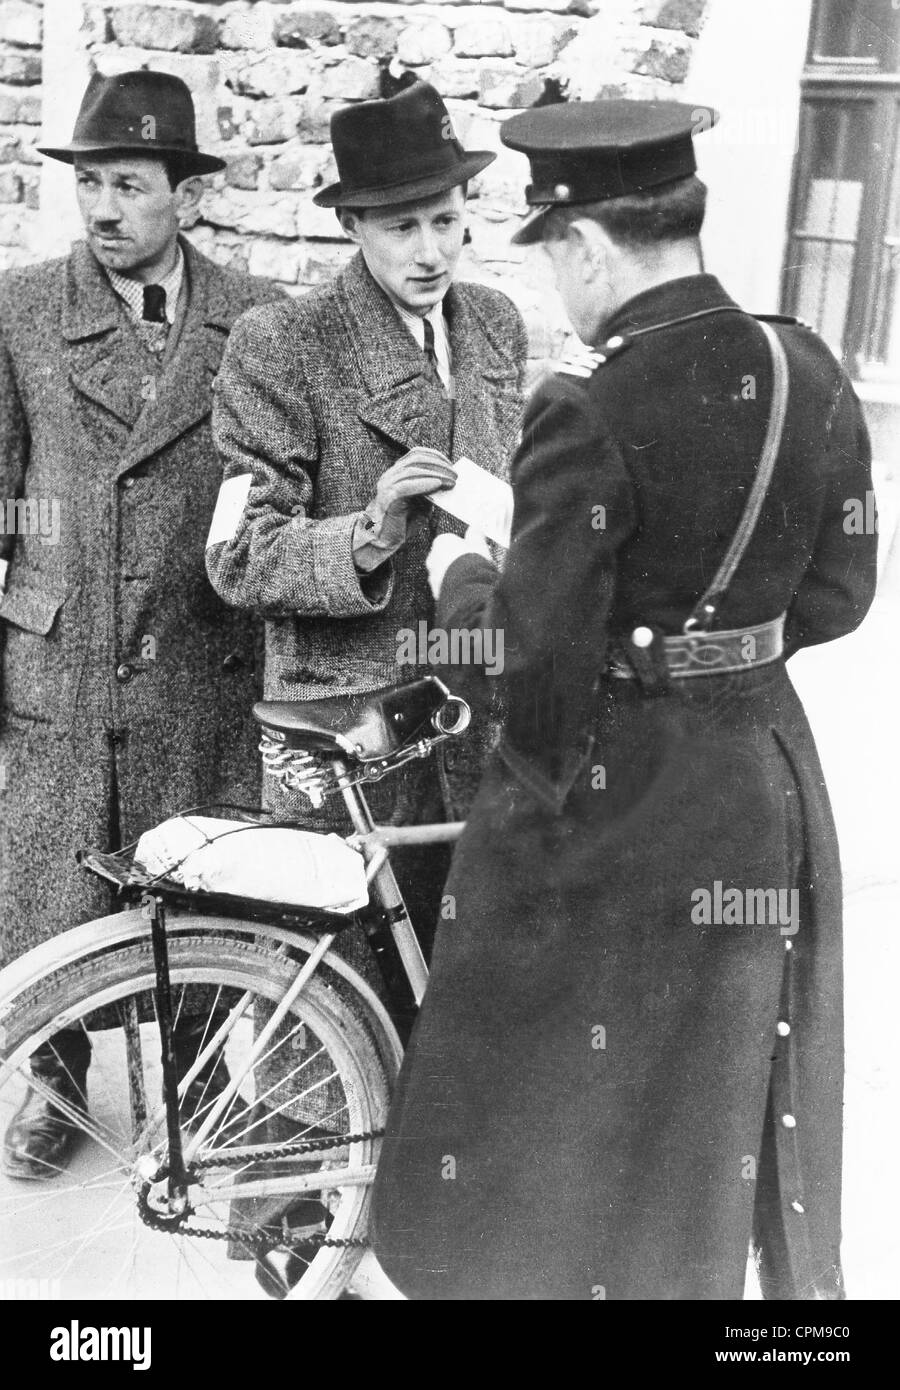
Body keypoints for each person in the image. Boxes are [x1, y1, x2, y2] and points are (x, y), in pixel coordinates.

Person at [370, 99, 878, 1300]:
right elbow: (844, 592)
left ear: (589, 244)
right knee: (702, 1116)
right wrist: (716, 653)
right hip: (758, 783)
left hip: (612, 811)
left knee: (555, 1130)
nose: (555, 288)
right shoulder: (803, 363)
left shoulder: (584, 405)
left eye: (551, 256)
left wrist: (462, 575)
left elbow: (532, 679)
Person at [0, 70, 282, 1180]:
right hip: (62, 659)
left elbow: (276, 485)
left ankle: (199, 1099)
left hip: (199, 660)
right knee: (60, 885)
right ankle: (54, 1082)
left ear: (187, 198)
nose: (105, 209)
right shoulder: (20, 310)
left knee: (196, 889)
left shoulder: (256, 319)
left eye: (128, 184)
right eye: (89, 185)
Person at [206, 77, 527, 983]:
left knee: (465, 985)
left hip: (475, 708)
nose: (431, 252)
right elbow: (237, 554)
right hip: (352, 725)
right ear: (351, 226)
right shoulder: (284, 343)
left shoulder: (494, 326)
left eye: (447, 221)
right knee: (341, 991)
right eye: (400, 227)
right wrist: (372, 531)